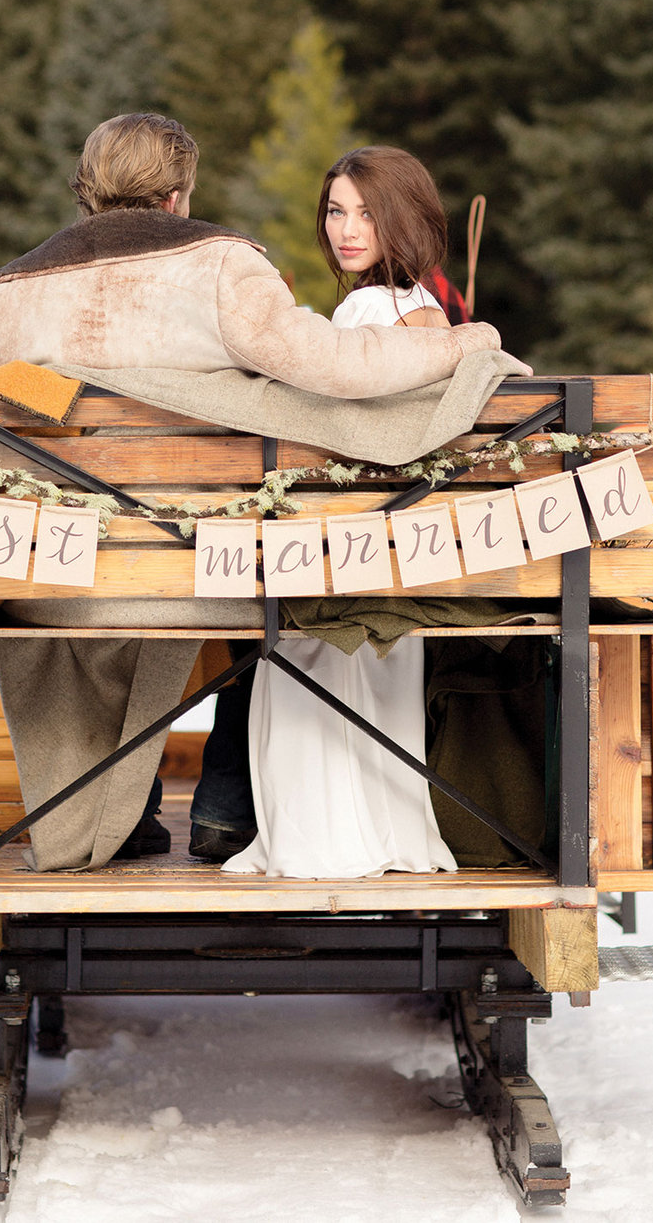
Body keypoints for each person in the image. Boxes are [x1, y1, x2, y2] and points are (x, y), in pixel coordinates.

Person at [0, 115, 514, 873]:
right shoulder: (221, 264)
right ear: (177, 191)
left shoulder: (8, 292)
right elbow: (331, 366)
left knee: (88, 615)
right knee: (272, 575)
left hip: (58, 577)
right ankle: (220, 807)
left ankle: (108, 810)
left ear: (86, 190)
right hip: (206, 569)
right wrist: (460, 341)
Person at [223, 146, 470, 879]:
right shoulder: (432, 312)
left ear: (409, 219)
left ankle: (318, 835)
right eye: (336, 209)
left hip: (342, 553)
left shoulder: (363, 311)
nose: (347, 228)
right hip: (405, 553)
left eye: (368, 211)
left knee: (282, 646)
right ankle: (385, 831)